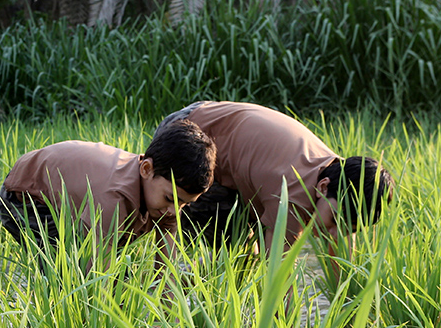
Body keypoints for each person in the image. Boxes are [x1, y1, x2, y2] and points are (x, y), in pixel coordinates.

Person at [153, 101, 393, 260]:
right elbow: (277, 272)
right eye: (333, 221)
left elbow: (340, 249)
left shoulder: (340, 175)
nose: (333, 232)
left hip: (225, 139)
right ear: (322, 187)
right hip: (188, 136)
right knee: (230, 250)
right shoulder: (293, 194)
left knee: (245, 257)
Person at [0, 119, 216, 261]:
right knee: (69, 272)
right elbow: (98, 272)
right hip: (27, 199)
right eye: (170, 199)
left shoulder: (169, 200)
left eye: (185, 204)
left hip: (73, 201)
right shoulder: (114, 197)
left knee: (120, 277)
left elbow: (166, 268)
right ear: (146, 169)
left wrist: (169, 319)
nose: (174, 211)